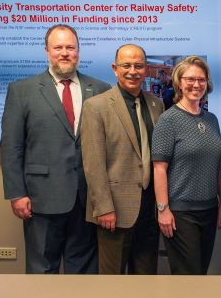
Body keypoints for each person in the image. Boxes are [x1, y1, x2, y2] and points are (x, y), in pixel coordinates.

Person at [1, 24, 110, 274]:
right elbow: (11, 147)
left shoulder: (101, 90)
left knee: (83, 272)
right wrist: (17, 194)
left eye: (70, 47)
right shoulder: (22, 91)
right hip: (41, 199)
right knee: (42, 271)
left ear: (78, 52)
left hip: (87, 200)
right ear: (47, 51)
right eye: (58, 47)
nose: (64, 52)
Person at [81, 44, 164, 274]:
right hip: (115, 212)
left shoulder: (156, 104)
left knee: (146, 279)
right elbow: (93, 163)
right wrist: (104, 207)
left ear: (146, 69)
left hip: (149, 209)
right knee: (113, 283)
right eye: (126, 65)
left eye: (138, 65)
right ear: (115, 69)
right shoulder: (96, 106)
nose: (132, 71)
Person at [151, 56, 221, 275]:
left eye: (201, 80)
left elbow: (219, 165)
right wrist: (163, 210)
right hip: (180, 214)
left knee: (201, 273)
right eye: (190, 79)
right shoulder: (169, 120)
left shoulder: (211, 119)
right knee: (188, 277)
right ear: (179, 82)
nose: (196, 84)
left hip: (209, 210)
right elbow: (159, 169)